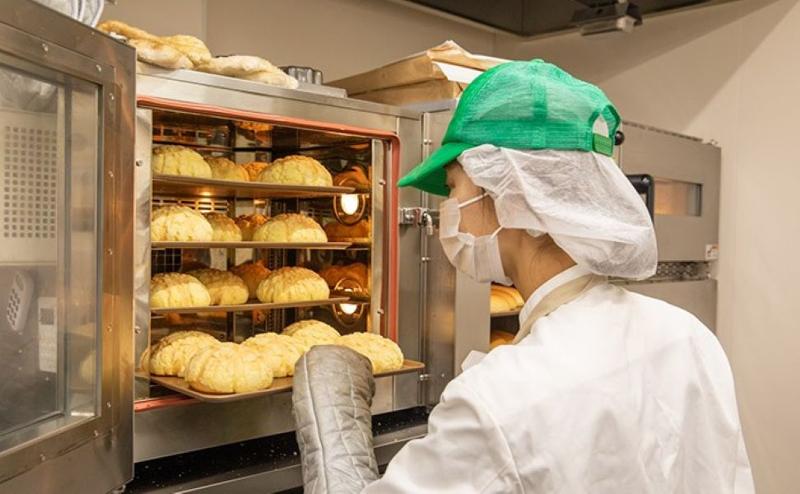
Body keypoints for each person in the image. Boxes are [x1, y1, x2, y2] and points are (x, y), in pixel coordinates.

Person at [291, 59, 754, 493]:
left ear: (511, 194)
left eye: (453, 189)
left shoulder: (498, 401)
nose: (448, 212)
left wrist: (334, 426)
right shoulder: (687, 335)